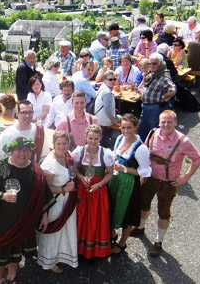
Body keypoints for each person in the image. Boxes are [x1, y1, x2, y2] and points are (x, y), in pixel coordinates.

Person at [0, 137, 54, 284]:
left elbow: (42, 195)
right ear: (11, 151)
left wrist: (44, 216)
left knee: (17, 252)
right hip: (2, 223)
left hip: (24, 221)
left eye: (26, 150)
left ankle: (11, 278)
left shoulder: (36, 170)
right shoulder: (0, 168)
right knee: (1, 254)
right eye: (18, 150)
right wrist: (2, 196)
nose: (22, 153)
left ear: (30, 151)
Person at [135, 110, 200, 258]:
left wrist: (185, 177)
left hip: (168, 183)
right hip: (150, 178)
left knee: (164, 213)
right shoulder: (153, 133)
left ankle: (159, 242)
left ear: (175, 123)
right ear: (159, 122)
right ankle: (140, 228)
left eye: (169, 122)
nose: (166, 125)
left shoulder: (183, 141)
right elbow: (145, 151)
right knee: (143, 205)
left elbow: (198, 159)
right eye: (163, 122)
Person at [108, 115, 151, 254]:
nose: (126, 131)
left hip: (130, 184)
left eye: (129, 128)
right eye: (123, 127)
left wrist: (125, 169)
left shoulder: (141, 148)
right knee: (111, 207)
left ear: (135, 127)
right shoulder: (120, 139)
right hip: (115, 180)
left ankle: (122, 243)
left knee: (129, 214)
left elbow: (145, 172)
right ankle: (113, 234)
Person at [71, 124, 115, 260]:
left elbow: (110, 173)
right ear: (85, 137)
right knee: (81, 217)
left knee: (96, 219)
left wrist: (99, 184)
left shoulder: (106, 153)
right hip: (81, 191)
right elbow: (72, 169)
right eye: (90, 138)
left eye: (96, 138)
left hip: (98, 192)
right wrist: (81, 177)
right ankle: (77, 249)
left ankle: (94, 251)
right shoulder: (79, 151)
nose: (93, 141)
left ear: (101, 138)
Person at [37, 131, 78, 273]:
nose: (62, 146)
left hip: (67, 200)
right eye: (58, 144)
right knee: (54, 232)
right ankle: (48, 261)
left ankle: (60, 256)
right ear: (53, 144)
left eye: (64, 143)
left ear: (68, 143)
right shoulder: (50, 164)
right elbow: (45, 189)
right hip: (56, 203)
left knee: (64, 231)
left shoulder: (68, 156)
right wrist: (63, 189)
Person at [137, 53, 176, 141]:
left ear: (160, 64)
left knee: (153, 132)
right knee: (142, 130)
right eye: (150, 63)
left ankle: (153, 151)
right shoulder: (151, 75)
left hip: (155, 108)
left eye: (154, 63)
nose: (151, 65)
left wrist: (163, 97)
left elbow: (173, 90)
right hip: (145, 107)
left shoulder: (163, 77)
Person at [94, 71, 120, 148]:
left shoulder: (103, 87)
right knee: (101, 142)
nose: (113, 81)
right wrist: (113, 120)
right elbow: (107, 109)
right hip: (104, 121)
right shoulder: (107, 92)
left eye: (114, 79)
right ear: (104, 80)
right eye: (110, 79)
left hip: (99, 119)